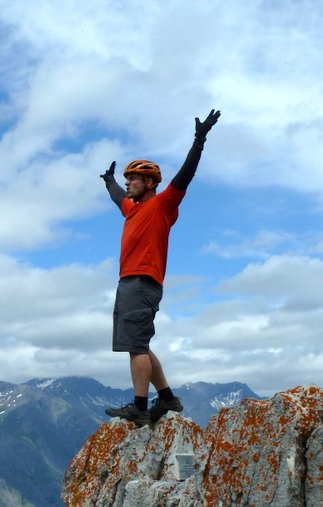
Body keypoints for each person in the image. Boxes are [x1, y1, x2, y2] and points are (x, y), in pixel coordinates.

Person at [100, 109, 220, 427]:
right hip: (129, 281)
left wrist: (199, 141)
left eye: (133, 179)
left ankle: (140, 406)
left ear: (150, 182)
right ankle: (166, 398)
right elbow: (117, 198)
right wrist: (109, 180)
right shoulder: (131, 209)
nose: (128, 184)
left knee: (135, 346)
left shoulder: (163, 204)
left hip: (142, 280)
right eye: (126, 180)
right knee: (138, 344)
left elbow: (186, 175)